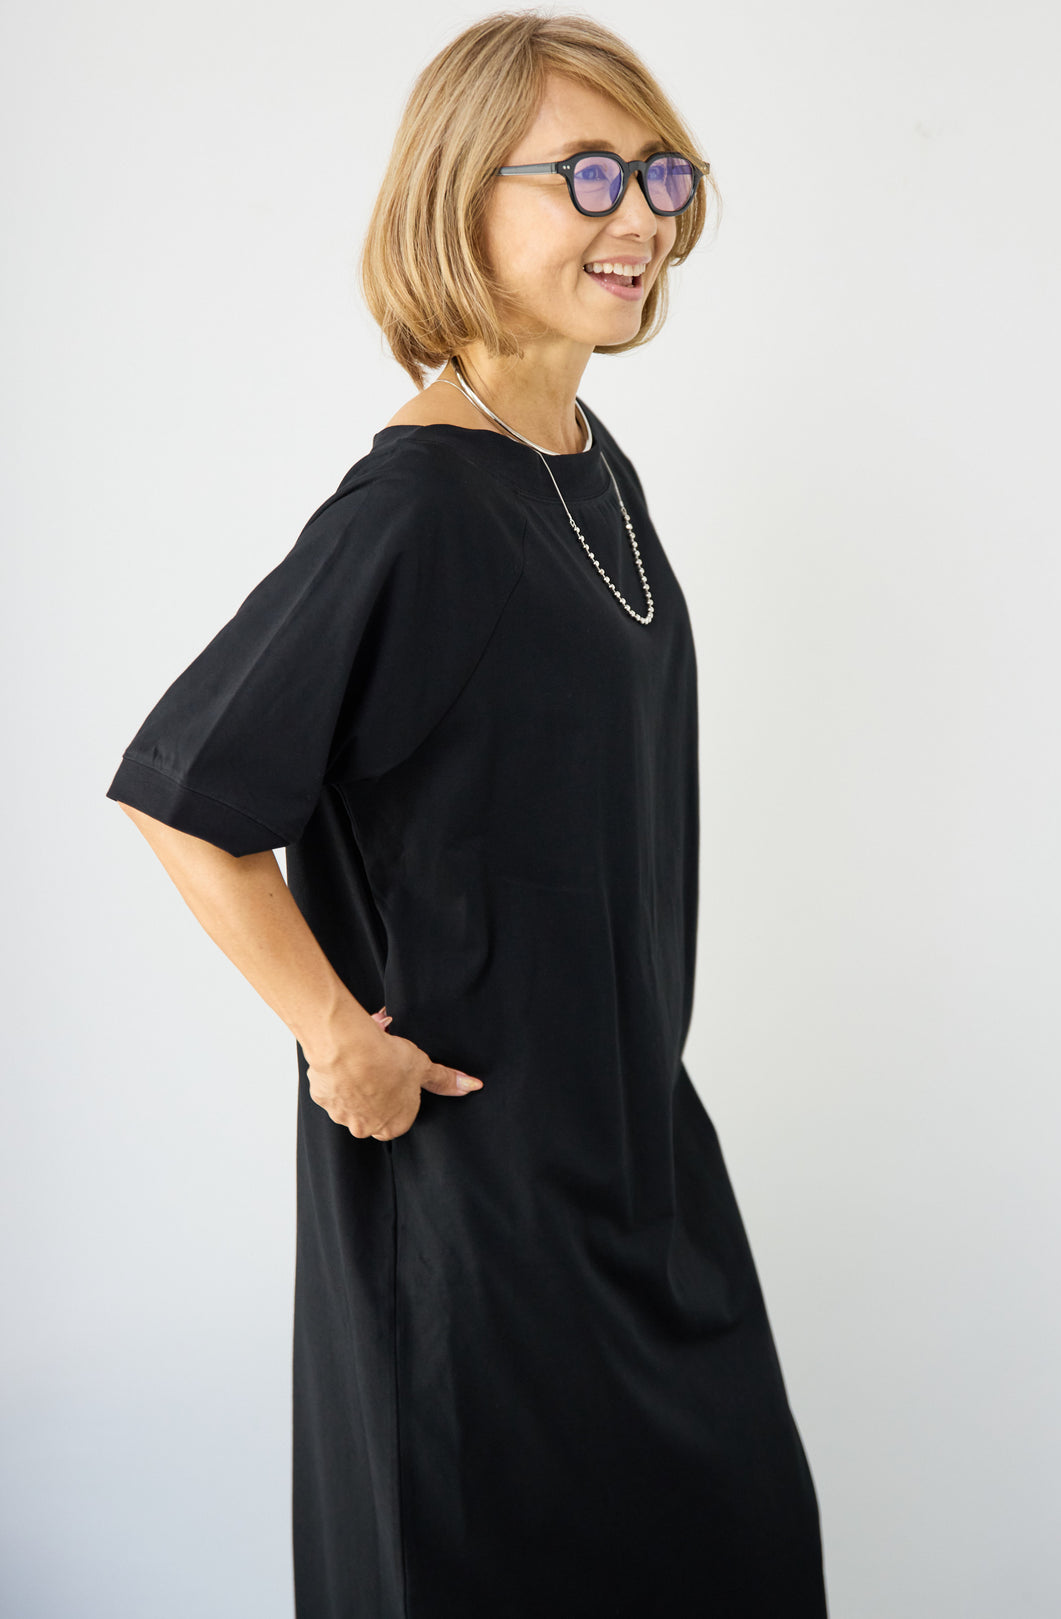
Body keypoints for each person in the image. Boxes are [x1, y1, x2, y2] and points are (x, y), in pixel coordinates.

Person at [106, 12, 828, 1617]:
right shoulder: (421, 505)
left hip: (635, 1167)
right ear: (457, 199)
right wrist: (334, 1037)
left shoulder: (585, 463)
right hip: (475, 1210)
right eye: (586, 175)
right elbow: (185, 793)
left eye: (659, 173)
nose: (639, 217)